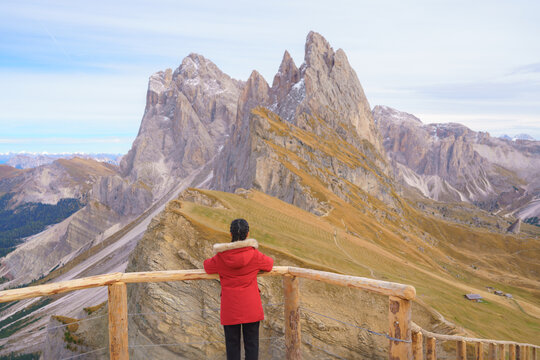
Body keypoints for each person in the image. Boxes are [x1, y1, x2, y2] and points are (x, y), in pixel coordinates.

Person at [203, 218, 274, 360]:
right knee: (252, 344)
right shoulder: (254, 254)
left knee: (232, 345)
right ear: (248, 234)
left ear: (230, 234)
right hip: (251, 306)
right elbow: (269, 264)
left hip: (230, 307)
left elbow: (207, 266)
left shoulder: (221, 256)